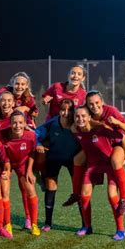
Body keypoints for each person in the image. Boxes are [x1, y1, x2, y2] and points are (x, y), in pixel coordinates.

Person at [63, 91, 125, 214]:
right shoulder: (88, 116)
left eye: (97, 103)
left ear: (102, 102)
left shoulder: (110, 111)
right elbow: (76, 122)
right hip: (101, 144)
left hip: (118, 143)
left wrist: (117, 123)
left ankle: (124, 200)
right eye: (91, 104)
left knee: (115, 161)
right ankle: (75, 194)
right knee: (77, 159)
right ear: (87, 105)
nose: (94, 106)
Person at [72, 106, 125, 241]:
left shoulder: (101, 128)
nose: (80, 119)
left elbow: (123, 137)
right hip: (93, 165)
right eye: (77, 116)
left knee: (111, 195)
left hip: (109, 164)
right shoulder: (75, 130)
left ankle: (121, 230)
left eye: (83, 116)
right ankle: (87, 227)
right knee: (84, 195)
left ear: (89, 117)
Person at [35, 99, 83, 232]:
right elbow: (36, 134)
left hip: (74, 159)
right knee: (51, 186)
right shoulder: (53, 123)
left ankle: (85, 224)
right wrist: (38, 144)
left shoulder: (78, 124)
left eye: (69, 110)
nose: (66, 113)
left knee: (79, 190)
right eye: (63, 109)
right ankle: (48, 223)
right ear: (59, 110)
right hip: (54, 157)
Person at [3, 111, 41, 236]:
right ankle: (7, 224)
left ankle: (33, 223)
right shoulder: (4, 136)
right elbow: (3, 155)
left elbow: (32, 153)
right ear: (10, 124)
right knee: (5, 192)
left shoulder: (31, 136)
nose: (17, 125)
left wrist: (29, 170)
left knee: (30, 189)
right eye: (14, 122)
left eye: (20, 122)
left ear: (25, 123)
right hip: (6, 164)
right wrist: (7, 170)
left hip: (22, 164)